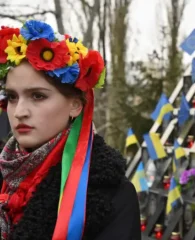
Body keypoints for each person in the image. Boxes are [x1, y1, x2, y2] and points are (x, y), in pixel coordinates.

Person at [0, 20, 140, 239]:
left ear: (75, 105)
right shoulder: (5, 176)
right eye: (12, 97)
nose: (19, 112)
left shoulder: (109, 194)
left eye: (38, 96)